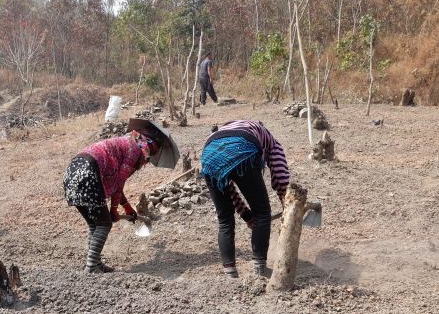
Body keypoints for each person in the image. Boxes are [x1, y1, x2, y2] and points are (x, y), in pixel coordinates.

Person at [64, 118, 178, 274]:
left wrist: (126, 206)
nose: (147, 160)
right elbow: (119, 181)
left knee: (95, 224)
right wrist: (114, 209)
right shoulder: (134, 149)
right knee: (104, 224)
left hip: (73, 172)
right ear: (148, 146)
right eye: (151, 154)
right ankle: (91, 266)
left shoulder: (127, 141)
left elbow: (117, 182)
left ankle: (95, 263)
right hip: (88, 173)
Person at [201, 120, 290, 278]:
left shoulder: (220, 133)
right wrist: (285, 201)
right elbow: (279, 171)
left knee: (225, 220)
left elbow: (228, 189)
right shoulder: (266, 135)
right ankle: (259, 271)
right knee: (262, 213)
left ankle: (230, 274)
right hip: (243, 147)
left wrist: (247, 216)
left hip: (209, 156)